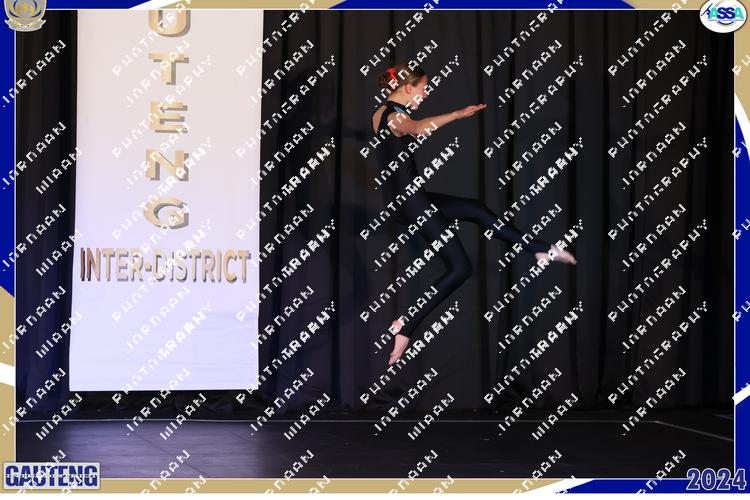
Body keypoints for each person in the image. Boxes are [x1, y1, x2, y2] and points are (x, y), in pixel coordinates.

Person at [370, 63, 577, 366]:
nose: (426, 94)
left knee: (475, 209)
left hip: (408, 200)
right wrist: (456, 115)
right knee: (460, 267)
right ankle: (407, 325)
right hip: (411, 203)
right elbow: (415, 128)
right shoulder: (395, 117)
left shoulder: (381, 112)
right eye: (423, 89)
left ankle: (538, 248)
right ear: (408, 87)